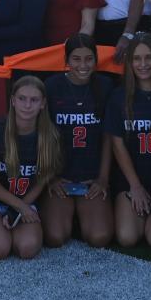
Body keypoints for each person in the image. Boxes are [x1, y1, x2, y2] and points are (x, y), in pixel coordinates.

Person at [0, 73, 59, 260]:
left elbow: (42, 180)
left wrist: (20, 208)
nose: (27, 105)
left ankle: (0, 228)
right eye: (22, 99)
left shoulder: (50, 136)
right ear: (13, 101)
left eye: (34, 100)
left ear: (43, 103)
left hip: (26, 198)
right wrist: (20, 208)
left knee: (27, 248)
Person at [39, 35, 113, 248]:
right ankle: (69, 215)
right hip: (61, 176)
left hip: (91, 177)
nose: (83, 65)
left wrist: (103, 178)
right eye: (76, 59)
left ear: (96, 60)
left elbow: (109, 138)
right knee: (54, 237)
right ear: (66, 60)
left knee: (99, 237)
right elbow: (44, 135)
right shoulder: (52, 86)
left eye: (88, 59)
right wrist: (50, 178)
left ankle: (82, 216)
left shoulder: (105, 86)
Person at [105, 34, 151, 248]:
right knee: (127, 237)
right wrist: (135, 186)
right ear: (129, 62)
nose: (143, 64)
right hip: (131, 178)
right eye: (137, 58)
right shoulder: (119, 96)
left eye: (149, 58)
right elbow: (117, 144)